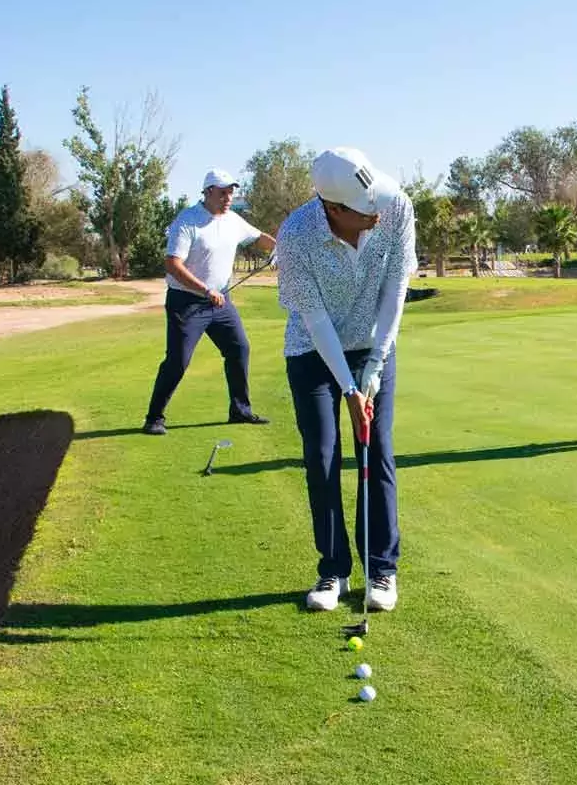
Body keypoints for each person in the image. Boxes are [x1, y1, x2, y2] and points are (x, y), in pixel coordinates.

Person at [274, 148, 417, 613]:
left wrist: (373, 367)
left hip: (374, 343)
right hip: (313, 350)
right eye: (364, 209)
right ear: (332, 209)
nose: (376, 213)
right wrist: (350, 389)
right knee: (322, 456)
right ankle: (332, 569)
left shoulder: (395, 205)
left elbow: (396, 291)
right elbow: (313, 319)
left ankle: (382, 569)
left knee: (378, 450)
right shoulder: (296, 235)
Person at [142, 169, 276, 435]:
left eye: (231, 192)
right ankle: (154, 418)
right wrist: (205, 290)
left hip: (220, 301)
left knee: (239, 349)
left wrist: (279, 248)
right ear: (207, 192)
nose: (228, 198)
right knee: (178, 361)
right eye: (223, 192)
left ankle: (240, 410)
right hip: (187, 302)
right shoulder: (188, 221)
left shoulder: (233, 220)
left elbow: (261, 239)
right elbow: (172, 264)